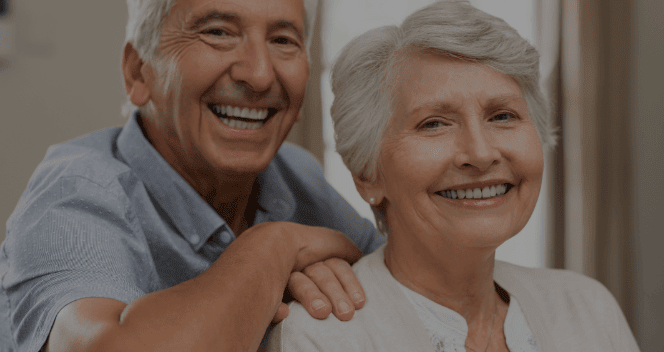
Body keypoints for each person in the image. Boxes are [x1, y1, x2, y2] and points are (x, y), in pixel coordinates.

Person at [0, 0, 385, 351]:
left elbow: (407, 282)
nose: (260, 75)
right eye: (218, 33)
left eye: (283, 40)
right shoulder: (76, 193)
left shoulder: (294, 172)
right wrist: (275, 246)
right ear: (138, 73)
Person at [267, 1, 640, 351]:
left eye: (502, 116)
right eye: (434, 124)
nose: (480, 154)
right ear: (368, 174)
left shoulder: (590, 310)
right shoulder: (319, 337)